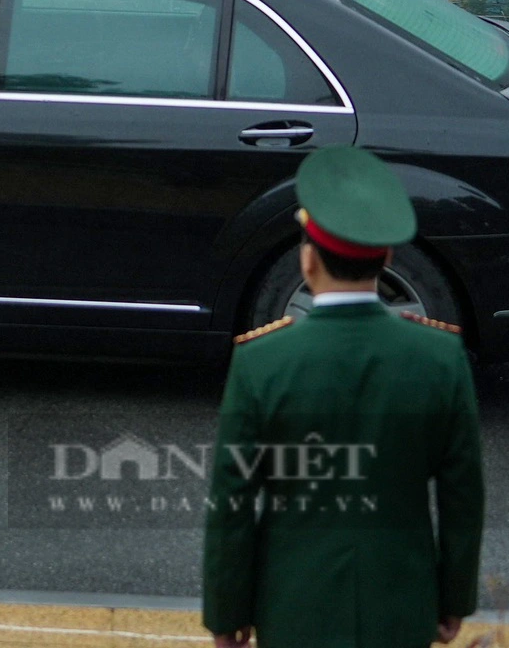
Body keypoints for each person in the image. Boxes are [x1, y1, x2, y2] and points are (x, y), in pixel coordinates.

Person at [202, 144, 483, 648]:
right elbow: (462, 497)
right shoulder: (440, 357)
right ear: (388, 257)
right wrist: (452, 599)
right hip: (402, 603)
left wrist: (228, 612)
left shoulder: (261, 362)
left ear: (308, 260)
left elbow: (233, 503)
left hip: (294, 607)